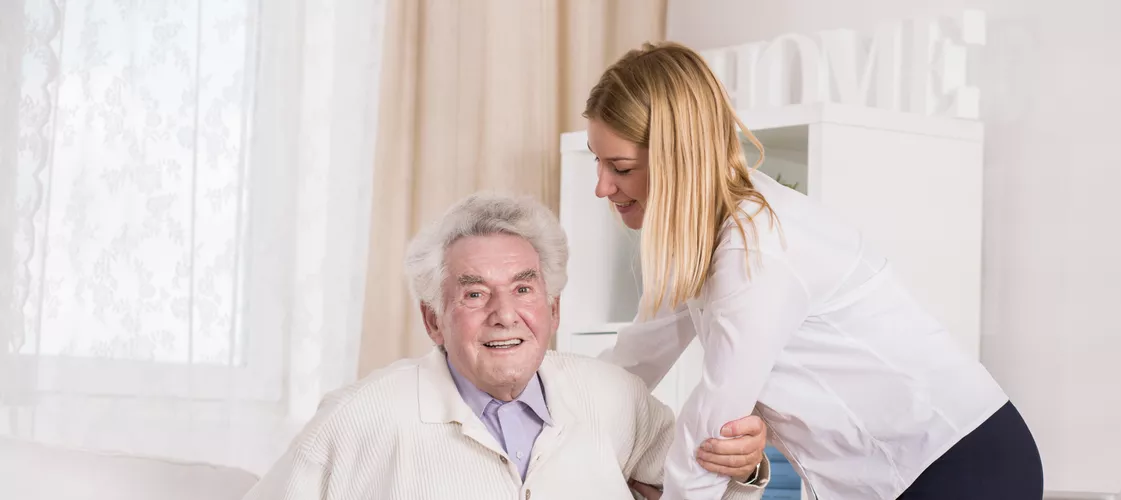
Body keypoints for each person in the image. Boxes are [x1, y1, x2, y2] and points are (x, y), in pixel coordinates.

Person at [584, 41, 1044, 500]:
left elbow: (712, 435)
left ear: (679, 158)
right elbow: (631, 365)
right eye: (597, 161)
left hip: (960, 463)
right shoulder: (697, 239)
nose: (602, 187)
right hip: (907, 472)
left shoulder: (756, 249)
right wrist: (546, 405)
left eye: (620, 167)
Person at [242, 193, 772, 500]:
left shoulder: (614, 397)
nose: (504, 313)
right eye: (474, 293)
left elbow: (705, 490)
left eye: (523, 288)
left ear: (553, 309)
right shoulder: (360, 416)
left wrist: (742, 466)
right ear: (433, 319)